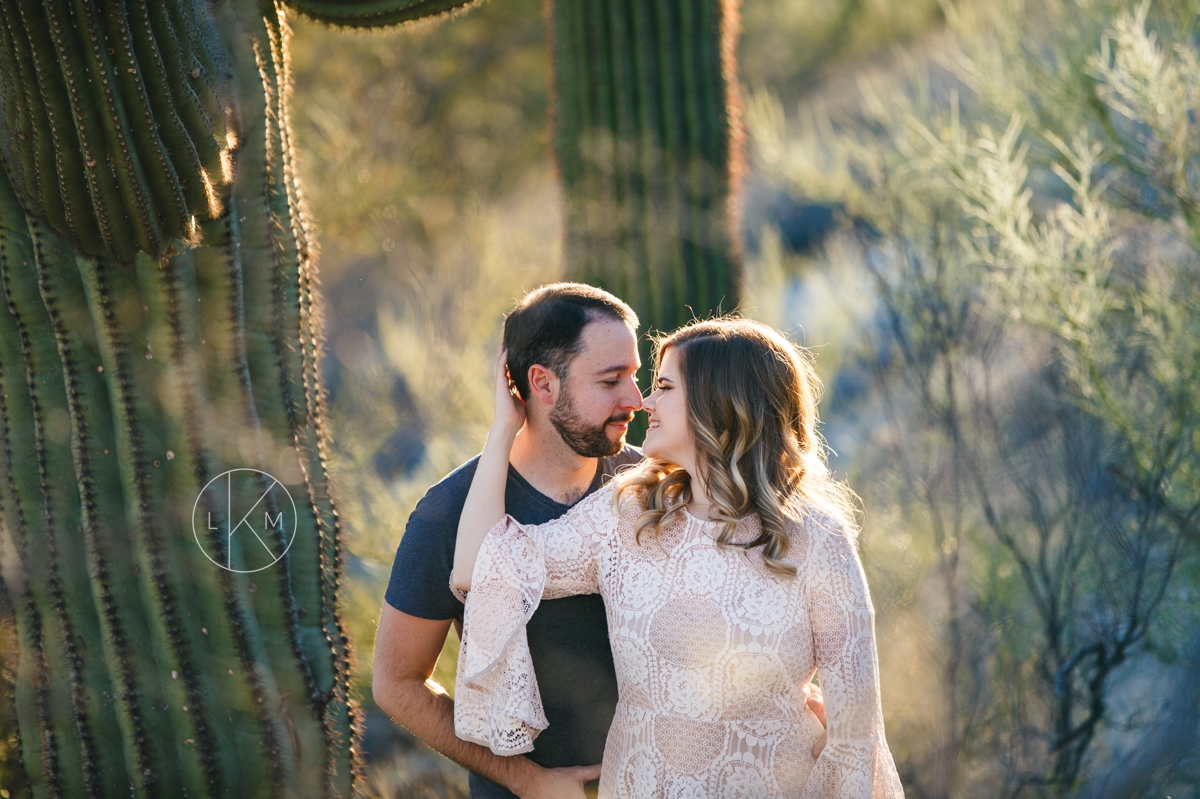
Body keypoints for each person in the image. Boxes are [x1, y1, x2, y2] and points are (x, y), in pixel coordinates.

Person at [452, 317, 903, 798]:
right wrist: (503, 428)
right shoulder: (630, 514)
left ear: (719, 404)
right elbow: (479, 569)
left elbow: (856, 740)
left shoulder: (816, 538)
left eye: (664, 386)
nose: (645, 401)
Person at [373, 283, 644, 798]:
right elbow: (397, 684)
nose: (634, 398)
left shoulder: (652, 487)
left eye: (634, 375)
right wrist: (531, 782)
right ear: (542, 384)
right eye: (611, 380)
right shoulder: (447, 512)